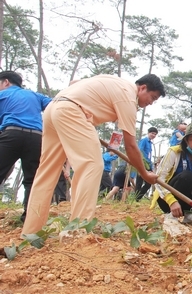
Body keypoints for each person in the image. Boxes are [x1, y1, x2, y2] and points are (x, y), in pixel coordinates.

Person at [22, 74, 165, 235]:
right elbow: (131, 145)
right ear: (142, 87)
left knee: (47, 171)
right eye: (152, 97)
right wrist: (145, 173)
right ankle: (78, 229)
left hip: (53, 108)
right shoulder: (128, 98)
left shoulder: (115, 82)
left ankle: (30, 231)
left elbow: (75, 83)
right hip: (72, 111)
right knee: (92, 165)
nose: (150, 103)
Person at [0, 71, 52, 222]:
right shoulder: (36, 96)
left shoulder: (2, 95)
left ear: (6, 82)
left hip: (12, 135)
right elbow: (55, 105)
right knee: (32, 179)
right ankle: (30, 218)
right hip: (36, 137)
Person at [135, 127, 158, 201]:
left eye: (155, 134)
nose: (153, 135)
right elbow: (140, 151)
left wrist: (150, 165)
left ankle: (138, 197)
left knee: (148, 183)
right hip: (142, 163)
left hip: (148, 164)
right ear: (148, 133)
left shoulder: (150, 143)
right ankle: (136, 199)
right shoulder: (144, 140)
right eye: (152, 133)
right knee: (139, 182)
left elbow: (149, 155)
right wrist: (142, 162)